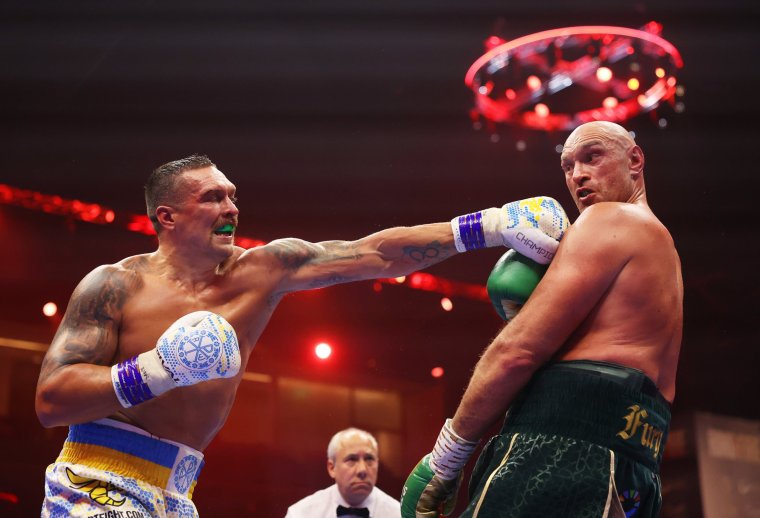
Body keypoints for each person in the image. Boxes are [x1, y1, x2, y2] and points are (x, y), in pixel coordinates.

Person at [34, 154, 569, 517]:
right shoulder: (114, 284)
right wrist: (158, 368)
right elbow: (52, 399)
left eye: (232, 195)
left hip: (177, 488)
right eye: (213, 198)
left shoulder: (262, 270)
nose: (231, 208)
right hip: (92, 477)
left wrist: (489, 225)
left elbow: (373, 252)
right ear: (166, 216)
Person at [402, 121, 683, 518]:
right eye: (568, 166)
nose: (578, 175)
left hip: (564, 453)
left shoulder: (609, 219)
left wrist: (445, 460)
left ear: (634, 159)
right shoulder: (664, 250)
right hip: (635, 474)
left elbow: (516, 351)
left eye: (592, 157)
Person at [285, 428, 399, 517]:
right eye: (352, 459)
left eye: (369, 459)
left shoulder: (398, 514)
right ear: (332, 468)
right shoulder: (302, 514)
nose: (362, 470)